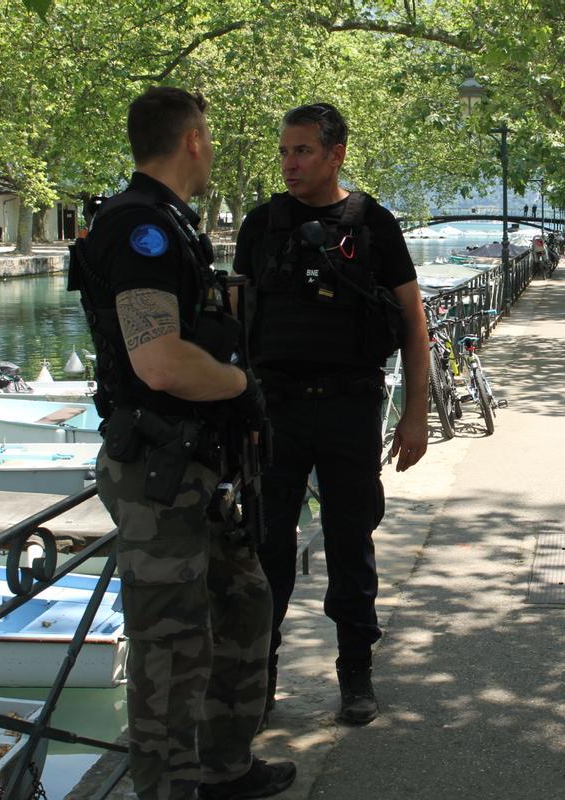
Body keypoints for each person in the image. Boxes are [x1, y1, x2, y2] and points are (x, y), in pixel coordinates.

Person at [70, 86, 297, 800]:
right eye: (210, 136)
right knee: (170, 652)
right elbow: (160, 361)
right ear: (193, 139)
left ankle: (226, 768)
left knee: (245, 605)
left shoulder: (168, 223)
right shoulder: (141, 229)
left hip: (197, 466)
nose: (213, 148)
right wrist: (237, 384)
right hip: (158, 472)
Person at [232, 102, 429, 727]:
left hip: (350, 408)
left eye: (303, 152)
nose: (290, 163)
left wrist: (415, 413)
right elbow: (235, 323)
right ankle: (259, 681)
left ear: (335, 154)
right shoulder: (261, 225)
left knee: (351, 545)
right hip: (274, 412)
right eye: (285, 151)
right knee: (267, 550)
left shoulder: (373, 224)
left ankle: (355, 675)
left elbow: (413, 321)